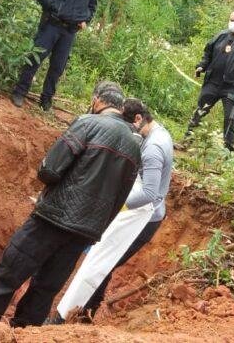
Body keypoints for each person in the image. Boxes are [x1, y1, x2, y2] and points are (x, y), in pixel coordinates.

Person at [0, 82, 141, 331]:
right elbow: (119, 199)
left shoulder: (87, 123)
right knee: (47, 286)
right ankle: (25, 332)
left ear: (97, 101)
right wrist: (95, 229)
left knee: (11, 269)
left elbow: (49, 171)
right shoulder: (134, 147)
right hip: (83, 231)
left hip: (52, 218)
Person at [77, 98, 174, 321]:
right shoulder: (158, 133)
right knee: (104, 261)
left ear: (139, 119)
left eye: (130, 126)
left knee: (104, 262)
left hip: (143, 219)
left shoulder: (153, 148)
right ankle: (84, 312)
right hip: (143, 213)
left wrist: (117, 206)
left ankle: (83, 315)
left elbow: (149, 193)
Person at [10, 0, 101, 111]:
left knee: (58, 67)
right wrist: (56, 7)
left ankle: (46, 100)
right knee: (35, 59)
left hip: (70, 31)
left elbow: (92, 6)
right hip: (51, 24)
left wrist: (85, 19)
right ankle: (20, 92)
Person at [185, 9, 234, 151]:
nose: (233, 23)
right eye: (231, 20)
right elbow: (208, 52)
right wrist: (202, 66)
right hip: (213, 82)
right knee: (200, 111)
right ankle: (186, 141)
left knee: (230, 119)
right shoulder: (221, 35)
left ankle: (228, 152)